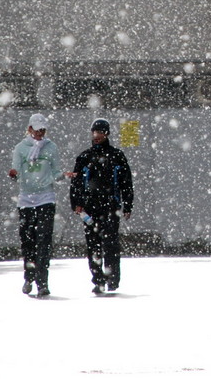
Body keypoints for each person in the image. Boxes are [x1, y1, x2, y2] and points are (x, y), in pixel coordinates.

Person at [69, 118, 134, 294]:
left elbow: (126, 183)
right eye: (94, 132)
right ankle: (98, 279)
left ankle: (112, 278)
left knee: (111, 243)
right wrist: (76, 204)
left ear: (107, 134)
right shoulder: (84, 157)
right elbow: (76, 183)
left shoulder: (117, 156)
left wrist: (127, 205)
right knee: (93, 245)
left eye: (100, 133)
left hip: (111, 207)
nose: (97, 136)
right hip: (90, 209)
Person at [8, 113, 64, 298]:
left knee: (44, 240)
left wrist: (64, 175)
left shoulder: (51, 148)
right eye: (37, 129)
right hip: (26, 199)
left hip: (46, 198)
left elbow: (56, 172)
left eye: (43, 129)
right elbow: (16, 169)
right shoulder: (21, 149)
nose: (40, 133)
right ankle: (29, 276)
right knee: (28, 240)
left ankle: (43, 282)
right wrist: (14, 173)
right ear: (30, 129)